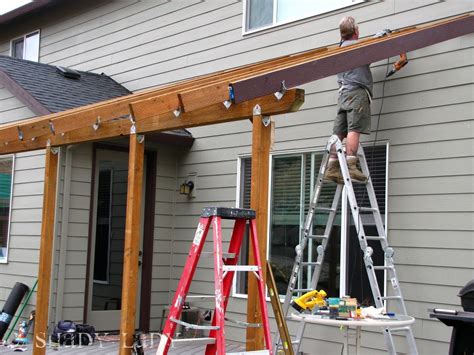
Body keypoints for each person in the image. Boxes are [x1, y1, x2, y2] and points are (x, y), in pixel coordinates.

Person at [325, 16, 372, 184]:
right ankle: (351, 164)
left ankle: (331, 168)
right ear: (356, 31)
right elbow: (377, 49)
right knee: (354, 128)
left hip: (343, 94)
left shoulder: (339, 49)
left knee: (339, 132)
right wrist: (382, 38)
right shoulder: (360, 48)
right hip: (356, 93)